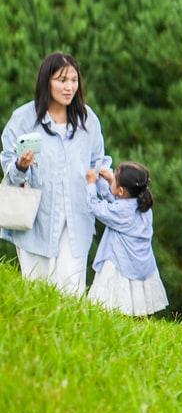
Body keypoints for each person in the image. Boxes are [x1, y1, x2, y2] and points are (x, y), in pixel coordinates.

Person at [2, 52, 108, 296]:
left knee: (71, 291)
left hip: (77, 217)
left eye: (73, 80)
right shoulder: (24, 118)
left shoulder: (87, 119)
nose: (69, 87)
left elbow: (98, 161)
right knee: (37, 292)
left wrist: (110, 185)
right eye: (62, 80)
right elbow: (9, 166)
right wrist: (21, 165)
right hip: (36, 219)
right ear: (46, 81)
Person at [84, 162, 168, 317]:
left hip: (120, 264)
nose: (112, 179)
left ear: (121, 190)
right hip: (142, 264)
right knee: (138, 306)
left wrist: (90, 184)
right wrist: (110, 181)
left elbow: (95, 207)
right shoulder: (143, 205)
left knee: (113, 306)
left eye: (115, 178)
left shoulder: (121, 211)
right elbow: (119, 203)